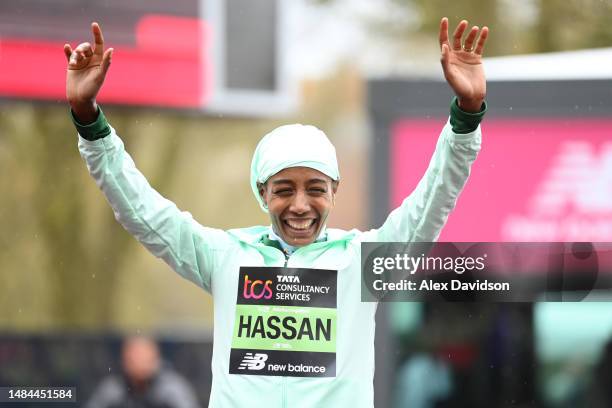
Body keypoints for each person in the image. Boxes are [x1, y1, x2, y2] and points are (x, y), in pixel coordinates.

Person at [64, 17, 489, 408]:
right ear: (263, 193)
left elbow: (432, 202)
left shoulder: (362, 261)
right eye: (285, 189)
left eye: (315, 189)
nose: (301, 205)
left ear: (334, 192)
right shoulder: (226, 256)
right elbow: (144, 212)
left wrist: (466, 117)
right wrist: (90, 122)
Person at [85, 336, 201, 408]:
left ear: (155, 358)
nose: (138, 362)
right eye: (133, 357)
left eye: (143, 357)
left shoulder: (172, 389)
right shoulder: (113, 389)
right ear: (125, 360)